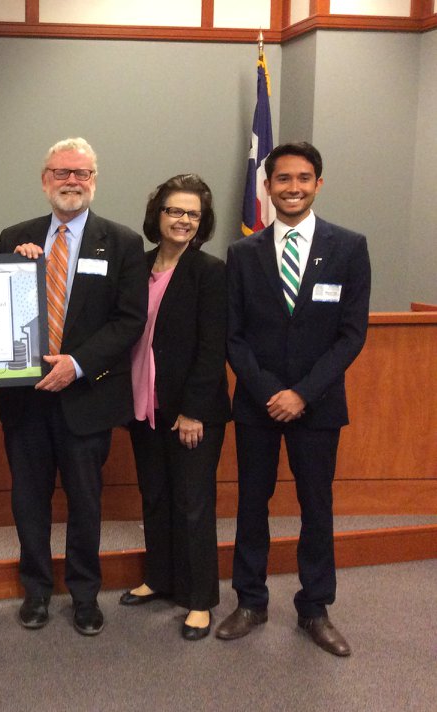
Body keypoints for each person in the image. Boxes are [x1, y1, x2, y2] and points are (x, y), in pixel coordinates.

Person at [218, 142, 371, 656]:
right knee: (251, 505)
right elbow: (233, 337)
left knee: (317, 507)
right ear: (268, 187)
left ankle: (315, 608)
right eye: (282, 179)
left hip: (318, 404)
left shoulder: (349, 247)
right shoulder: (241, 254)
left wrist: (302, 394)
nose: (293, 188)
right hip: (257, 405)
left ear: (319, 184)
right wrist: (269, 392)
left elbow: (351, 336)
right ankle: (250, 601)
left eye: (304, 178)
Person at [0, 138, 147, 636]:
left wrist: (77, 363)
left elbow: (129, 321)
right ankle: (36, 590)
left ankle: (85, 594)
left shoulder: (121, 243)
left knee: (86, 500)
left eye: (81, 173)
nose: (71, 181)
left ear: (94, 180)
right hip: (26, 399)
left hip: (88, 396)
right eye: (61, 172)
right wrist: (15, 269)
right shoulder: (14, 237)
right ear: (45, 179)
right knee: (29, 498)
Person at [118, 174, 230, 640]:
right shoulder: (138, 266)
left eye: (193, 214)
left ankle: (200, 599)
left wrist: (195, 410)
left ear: (201, 224)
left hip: (190, 412)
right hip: (145, 407)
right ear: (157, 215)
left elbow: (212, 347)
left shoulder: (210, 271)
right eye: (174, 211)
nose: (183, 220)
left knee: (192, 504)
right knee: (157, 497)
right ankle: (160, 578)